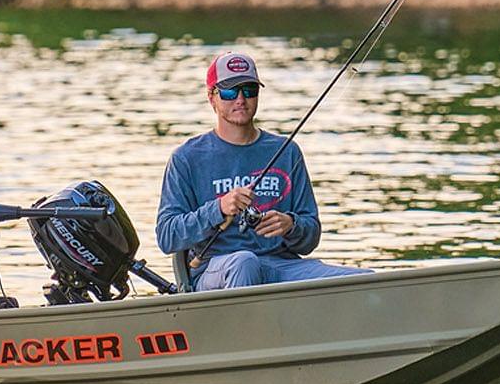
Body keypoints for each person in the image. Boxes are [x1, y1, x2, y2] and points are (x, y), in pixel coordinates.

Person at [156, 49, 368, 292]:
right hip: (215, 270)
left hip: (282, 266)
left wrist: (291, 225)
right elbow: (167, 236)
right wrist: (219, 208)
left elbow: (310, 236)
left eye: (249, 90)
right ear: (211, 97)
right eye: (228, 91)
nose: (240, 99)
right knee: (245, 262)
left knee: (365, 280)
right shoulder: (186, 158)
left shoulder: (287, 151)